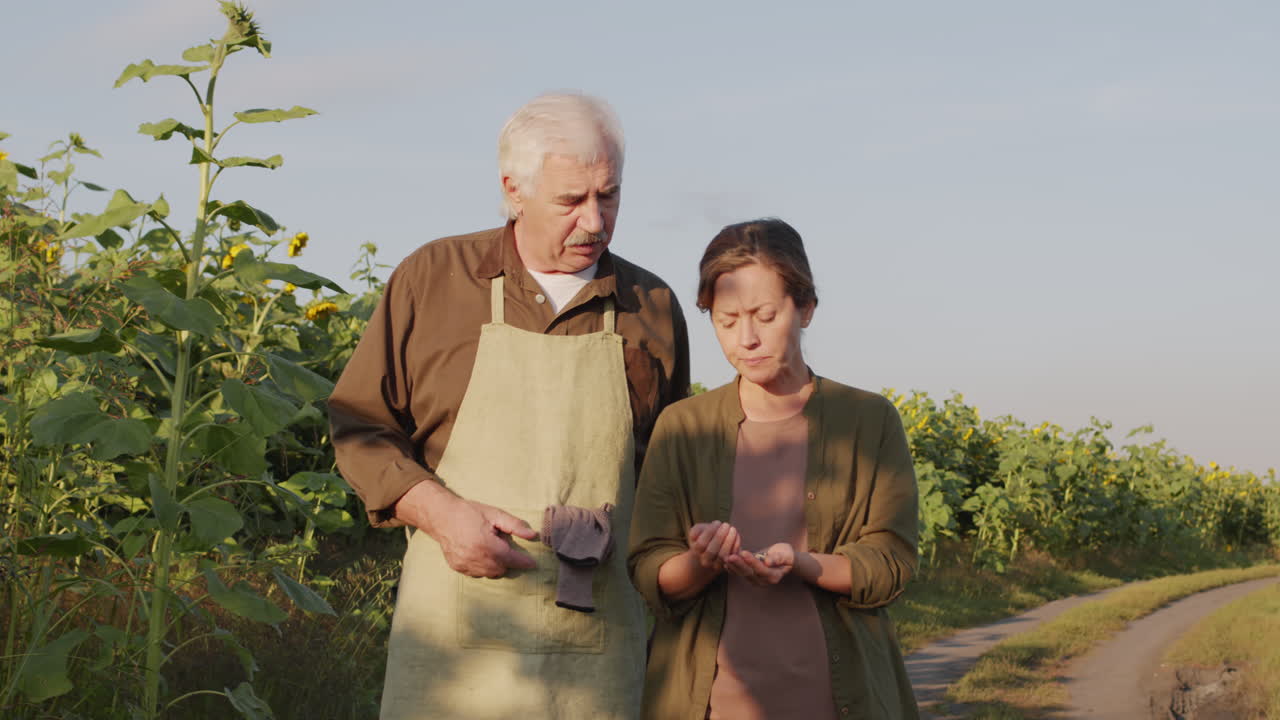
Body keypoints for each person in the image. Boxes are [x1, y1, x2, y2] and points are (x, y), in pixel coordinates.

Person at [329, 93, 690, 720]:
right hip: (456, 632)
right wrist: (441, 515)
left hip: (601, 644)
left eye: (609, 195)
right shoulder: (434, 279)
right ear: (512, 190)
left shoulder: (650, 305)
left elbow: (669, 479)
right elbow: (362, 426)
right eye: (571, 200)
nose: (595, 221)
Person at [627, 218, 920, 720]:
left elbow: (892, 561)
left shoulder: (870, 421)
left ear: (805, 308)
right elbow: (649, 567)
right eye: (726, 320)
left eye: (765, 315)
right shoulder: (682, 427)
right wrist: (702, 562)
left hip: (841, 700)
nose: (746, 339)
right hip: (710, 705)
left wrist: (804, 564)